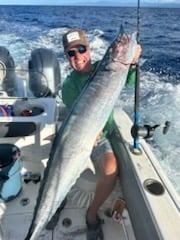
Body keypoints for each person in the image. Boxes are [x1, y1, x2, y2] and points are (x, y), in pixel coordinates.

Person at [61, 29, 142, 240]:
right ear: (67, 57)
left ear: (89, 49)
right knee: (60, 170)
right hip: (79, 135)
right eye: (72, 53)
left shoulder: (105, 68)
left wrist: (132, 62)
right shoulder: (68, 86)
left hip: (102, 134)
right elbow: (76, 119)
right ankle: (58, 198)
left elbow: (130, 82)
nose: (78, 56)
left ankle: (91, 213)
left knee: (110, 169)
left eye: (81, 49)